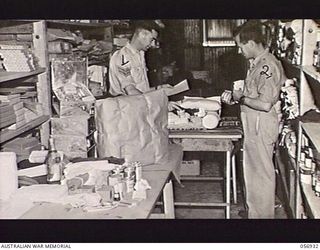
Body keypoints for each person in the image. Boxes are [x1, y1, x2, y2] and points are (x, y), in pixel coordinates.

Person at [221, 21, 286, 219]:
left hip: (261, 125)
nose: (239, 50)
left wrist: (240, 97)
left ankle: (262, 217)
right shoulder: (257, 63)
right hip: (253, 124)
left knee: (261, 174)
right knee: (253, 173)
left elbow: (265, 104)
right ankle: (255, 211)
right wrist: (235, 97)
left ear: (250, 43)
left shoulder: (268, 65)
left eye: (240, 45)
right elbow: (253, 96)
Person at [109, 20, 172, 96]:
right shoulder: (122, 57)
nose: (153, 44)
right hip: (126, 105)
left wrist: (160, 89)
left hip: (139, 102)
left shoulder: (140, 54)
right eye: (152, 39)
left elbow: (142, 90)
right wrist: (156, 102)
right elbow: (131, 92)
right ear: (142, 34)